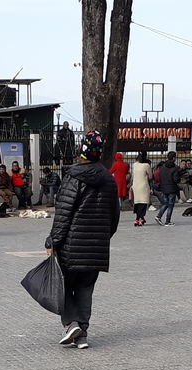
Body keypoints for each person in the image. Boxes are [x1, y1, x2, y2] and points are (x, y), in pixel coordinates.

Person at [45, 130, 119, 351]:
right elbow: (113, 217)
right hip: (96, 247)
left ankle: (71, 324)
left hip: (71, 245)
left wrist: (52, 241)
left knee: (65, 287)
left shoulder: (73, 176)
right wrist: (101, 237)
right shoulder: (109, 180)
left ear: (81, 151)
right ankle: (82, 335)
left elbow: (64, 213)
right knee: (86, 290)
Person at [154, 151, 181, 225]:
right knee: (170, 205)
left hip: (164, 187)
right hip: (172, 188)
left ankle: (159, 216)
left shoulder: (162, 167)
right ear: (173, 158)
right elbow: (176, 179)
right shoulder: (175, 168)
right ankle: (167, 220)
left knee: (166, 203)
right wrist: (179, 178)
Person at [130, 151, 153, 226]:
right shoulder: (146, 165)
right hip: (143, 186)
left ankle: (141, 218)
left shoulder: (135, 164)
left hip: (135, 185)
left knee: (137, 202)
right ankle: (138, 219)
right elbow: (150, 176)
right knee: (143, 203)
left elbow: (133, 175)